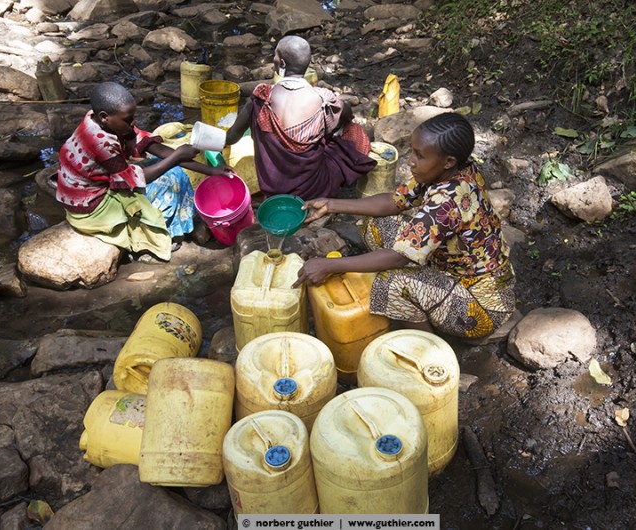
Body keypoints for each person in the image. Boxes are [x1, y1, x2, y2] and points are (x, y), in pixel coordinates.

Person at [293, 113, 515, 340]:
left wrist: (329, 265)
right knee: (377, 225)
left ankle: (428, 349)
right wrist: (330, 205)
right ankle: (414, 299)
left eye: (419, 155)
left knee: (392, 284)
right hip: (446, 267)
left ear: (448, 161)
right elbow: (394, 202)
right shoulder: (446, 172)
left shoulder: (447, 201)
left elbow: (399, 257)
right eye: (412, 151)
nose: (410, 161)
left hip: (481, 305)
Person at [56, 82, 228, 261]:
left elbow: (159, 150)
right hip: (91, 206)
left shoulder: (100, 120)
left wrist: (211, 170)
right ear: (105, 117)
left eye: (133, 117)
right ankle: (161, 234)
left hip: (85, 189)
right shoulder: (100, 143)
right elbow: (136, 179)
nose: (133, 123)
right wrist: (177, 156)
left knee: (168, 166)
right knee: (172, 179)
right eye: (127, 119)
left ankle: (184, 224)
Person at [225, 35, 376, 201]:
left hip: (274, 189)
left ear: (282, 63)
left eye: (275, 55)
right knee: (354, 131)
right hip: (313, 190)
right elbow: (347, 116)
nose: (273, 59)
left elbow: (232, 136)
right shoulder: (323, 100)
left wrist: (210, 143)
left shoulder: (260, 100)